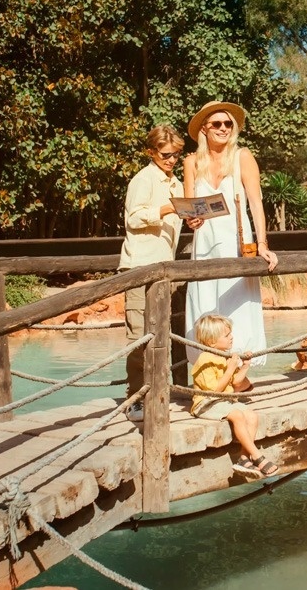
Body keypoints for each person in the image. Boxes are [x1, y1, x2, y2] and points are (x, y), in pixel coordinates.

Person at [183, 101, 277, 368]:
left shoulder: (242, 157)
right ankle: (208, 372)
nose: (223, 128)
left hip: (236, 242)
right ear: (204, 129)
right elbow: (190, 207)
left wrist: (262, 244)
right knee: (205, 305)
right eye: (217, 124)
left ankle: (238, 375)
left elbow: (256, 202)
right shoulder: (191, 162)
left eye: (228, 124)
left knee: (237, 305)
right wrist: (192, 219)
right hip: (205, 244)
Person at [118, 125, 185, 422]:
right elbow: (133, 218)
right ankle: (135, 398)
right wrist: (166, 209)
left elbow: (178, 217)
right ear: (151, 152)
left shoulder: (177, 184)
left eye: (176, 155)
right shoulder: (142, 180)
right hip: (139, 266)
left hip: (165, 268)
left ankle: (160, 391)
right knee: (139, 336)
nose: (171, 160)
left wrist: (190, 219)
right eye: (166, 154)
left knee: (163, 334)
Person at [190, 313, 279, 477]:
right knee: (237, 415)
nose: (232, 337)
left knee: (252, 415)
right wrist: (230, 368)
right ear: (212, 341)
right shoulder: (205, 359)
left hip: (224, 402)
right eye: (227, 335)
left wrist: (244, 367)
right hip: (206, 404)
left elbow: (236, 384)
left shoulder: (225, 356)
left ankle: (244, 457)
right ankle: (257, 456)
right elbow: (213, 392)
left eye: (230, 333)